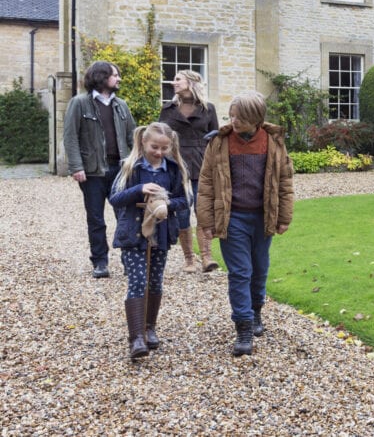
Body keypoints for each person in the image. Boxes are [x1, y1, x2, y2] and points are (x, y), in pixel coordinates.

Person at [197, 91, 293, 356]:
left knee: (260, 269)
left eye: (240, 116)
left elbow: (285, 181)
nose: (233, 120)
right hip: (233, 218)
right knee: (240, 272)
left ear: (256, 119)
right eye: (232, 114)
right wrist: (206, 220)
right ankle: (243, 327)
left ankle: (256, 311)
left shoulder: (273, 142)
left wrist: (284, 216)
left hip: (263, 218)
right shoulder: (219, 143)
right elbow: (205, 183)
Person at [108, 122, 191, 359]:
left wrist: (167, 205)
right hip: (133, 234)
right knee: (137, 281)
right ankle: (136, 338)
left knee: (155, 282)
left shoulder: (173, 169)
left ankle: (149, 328)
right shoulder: (130, 167)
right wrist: (139, 189)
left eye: (165, 148)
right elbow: (114, 198)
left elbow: (185, 200)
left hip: (161, 234)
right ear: (144, 142)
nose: (159, 152)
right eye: (155, 147)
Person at [63, 61, 137, 278]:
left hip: (120, 170)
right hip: (92, 172)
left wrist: (136, 163)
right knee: (96, 219)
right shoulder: (79, 103)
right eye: (115, 75)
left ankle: (129, 260)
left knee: (125, 216)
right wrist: (76, 166)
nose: (119, 79)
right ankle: (100, 262)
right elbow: (70, 137)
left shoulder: (121, 105)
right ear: (102, 77)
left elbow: (133, 136)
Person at [159, 70, 220, 273]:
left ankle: (206, 257)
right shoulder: (168, 109)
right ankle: (188, 260)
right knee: (182, 213)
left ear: (191, 82)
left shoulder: (208, 109)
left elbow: (215, 140)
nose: (173, 82)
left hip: (201, 165)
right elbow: (159, 137)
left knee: (202, 212)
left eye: (178, 79)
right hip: (176, 165)